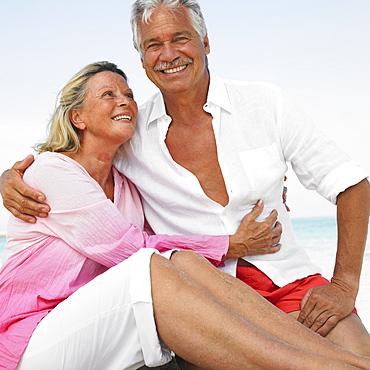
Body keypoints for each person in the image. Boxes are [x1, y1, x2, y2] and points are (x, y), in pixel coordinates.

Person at [1, 0, 369, 356]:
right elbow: (81, 171)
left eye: (179, 38)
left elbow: (350, 183)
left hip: (288, 275)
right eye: (153, 45)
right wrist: (13, 178)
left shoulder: (265, 103)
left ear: (205, 42)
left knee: (359, 355)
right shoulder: (131, 135)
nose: (168, 54)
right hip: (201, 296)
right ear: (142, 58)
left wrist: (343, 286)